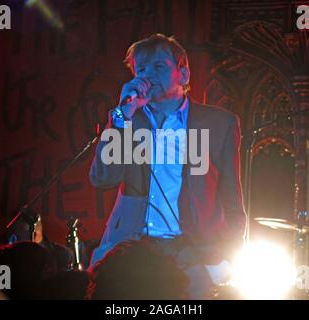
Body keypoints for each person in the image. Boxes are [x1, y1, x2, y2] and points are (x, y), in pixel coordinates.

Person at [89, 33, 246, 298]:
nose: (148, 76)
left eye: (159, 67)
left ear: (183, 74)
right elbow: (103, 178)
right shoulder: (127, 120)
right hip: (132, 251)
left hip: (192, 253)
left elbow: (232, 197)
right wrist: (121, 115)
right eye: (141, 69)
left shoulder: (219, 123)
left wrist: (227, 255)